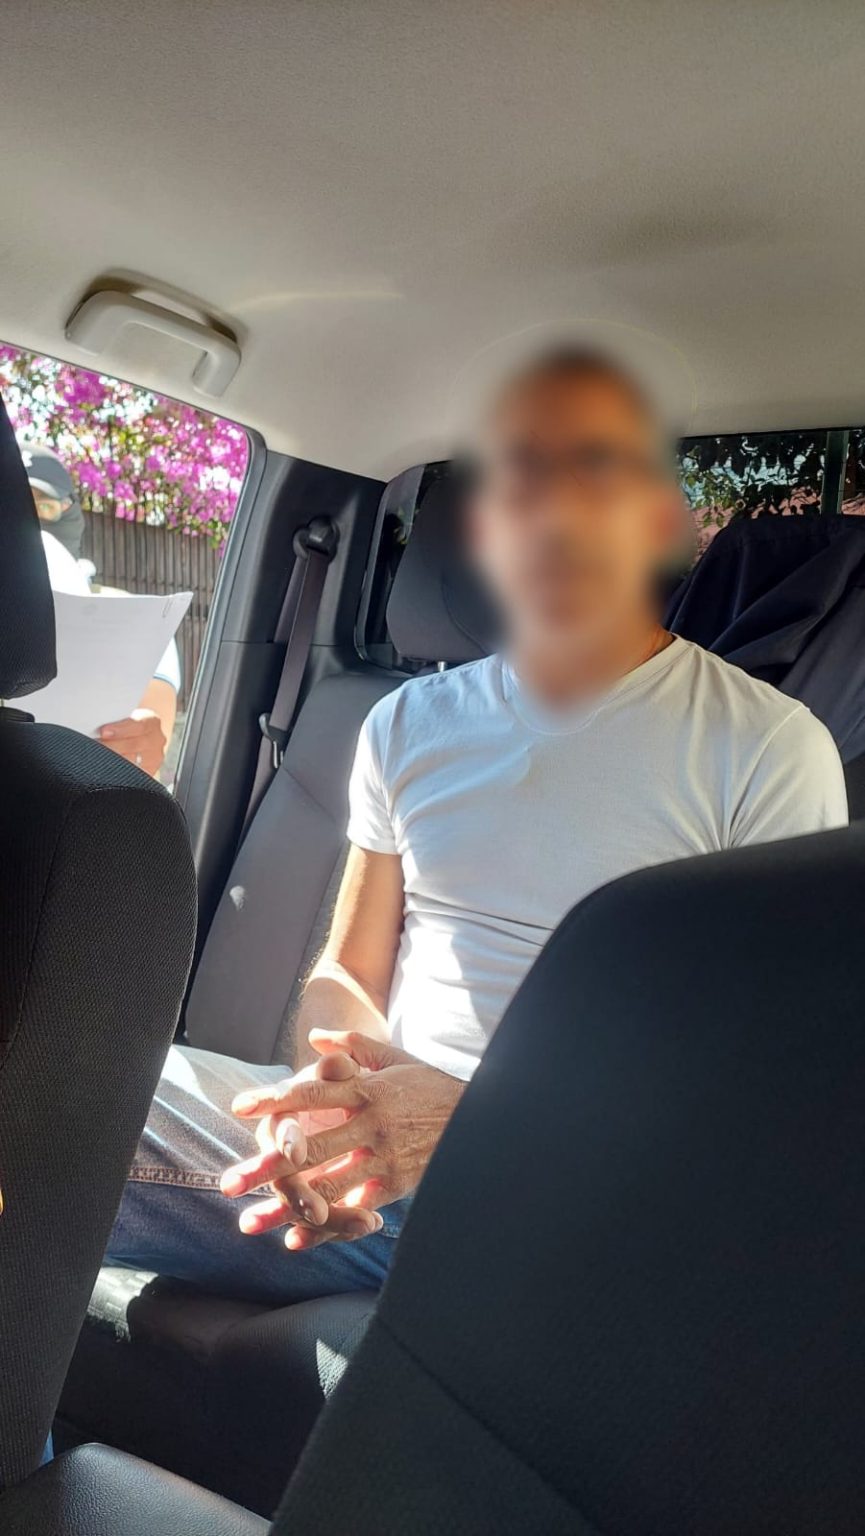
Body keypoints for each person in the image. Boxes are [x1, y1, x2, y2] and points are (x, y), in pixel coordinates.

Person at [108, 347, 848, 1304]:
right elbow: (349, 969)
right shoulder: (406, 723)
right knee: (67, 1073)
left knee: (51, 1107)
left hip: (582, 1188)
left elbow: (760, 1083)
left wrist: (466, 1122)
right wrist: (326, 1106)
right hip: (382, 1150)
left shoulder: (767, 746)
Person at [28, 448, 180, 778]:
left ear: (69, 512)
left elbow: (154, 728)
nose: (27, 523)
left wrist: (141, 740)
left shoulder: (131, 615)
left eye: (43, 506)